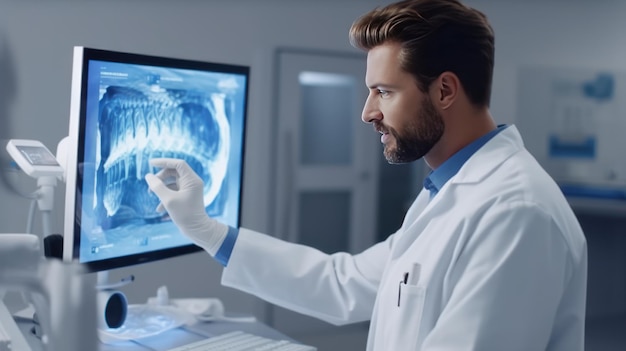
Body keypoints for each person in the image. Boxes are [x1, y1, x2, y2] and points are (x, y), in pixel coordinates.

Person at [145, 0, 588, 349]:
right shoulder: (451, 191)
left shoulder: (516, 212)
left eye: (384, 92)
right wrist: (209, 232)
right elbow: (344, 283)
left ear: (445, 90)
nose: (367, 112)